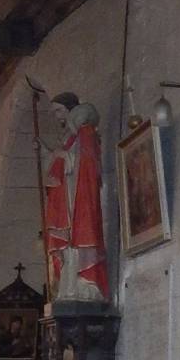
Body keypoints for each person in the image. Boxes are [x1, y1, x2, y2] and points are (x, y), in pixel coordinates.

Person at [42, 93, 110, 302]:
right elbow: (61, 166)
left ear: (71, 110)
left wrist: (61, 155)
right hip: (68, 197)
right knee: (68, 245)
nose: (57, 116)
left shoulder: (85, 132)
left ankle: (86, 287)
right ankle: (69, 287)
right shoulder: (70, 137)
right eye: (54, 112)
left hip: (78, 196)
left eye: (59, 110)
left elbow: (85, 163)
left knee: (78, 240)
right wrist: (49, 152)